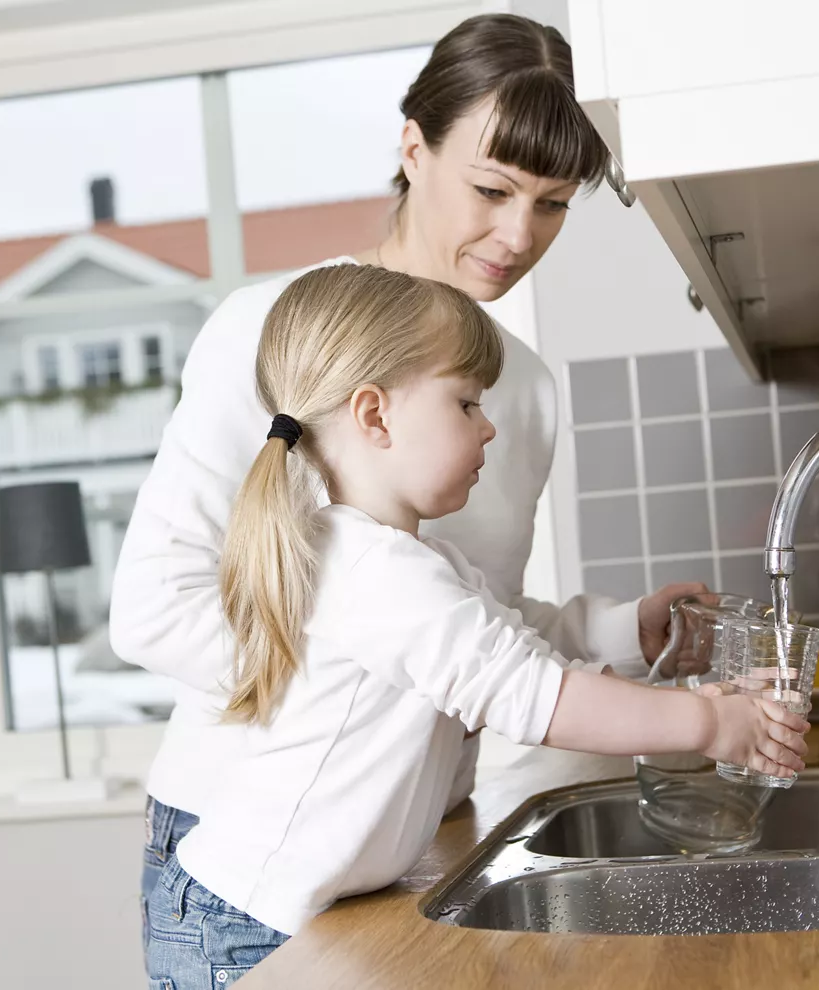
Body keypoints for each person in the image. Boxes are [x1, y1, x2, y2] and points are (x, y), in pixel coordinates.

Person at [111, 11, 709, 957]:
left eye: (552, 203)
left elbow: (470, 614)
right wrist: (354, 692)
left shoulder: (523, 386)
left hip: (410, 840)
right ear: (413, 149)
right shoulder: (272, 327)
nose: (517, 234)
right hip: (252, 846)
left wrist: (610, 632)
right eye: (491, 187)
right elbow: (156, 607)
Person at [141, 265, 808, 983]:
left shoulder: (413, 560)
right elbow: (529, 695)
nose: (489, 425)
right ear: (374, 416)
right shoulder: (378, 573)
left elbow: (514, 643)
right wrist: (708, 726)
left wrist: (650, 655)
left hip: (280, 910)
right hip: (244, 929)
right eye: (465, 403)